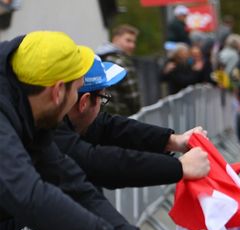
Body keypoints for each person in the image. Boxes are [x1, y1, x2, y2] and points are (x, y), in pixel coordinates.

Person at [0, 31, 143, 230]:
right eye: (76, 90)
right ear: (57, 92)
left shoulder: (29, 111)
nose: (78, 99)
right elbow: (31, 196)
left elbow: (73, 183)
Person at [56, 55, 210, 190]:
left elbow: (109, 127)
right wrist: (179, 167)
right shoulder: (51, 136)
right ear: (84, 102)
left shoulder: (61, 121)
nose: (101, 111)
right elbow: (99, 163)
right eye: (103, 98)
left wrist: (174, 141)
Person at [95, 24, 142, 116]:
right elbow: (133, 97)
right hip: (119, 117)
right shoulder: (122, 62)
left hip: (98, 116)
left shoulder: (97, 59)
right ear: (115, 39)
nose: (132, 45)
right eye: (128, 40)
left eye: (134, 42)